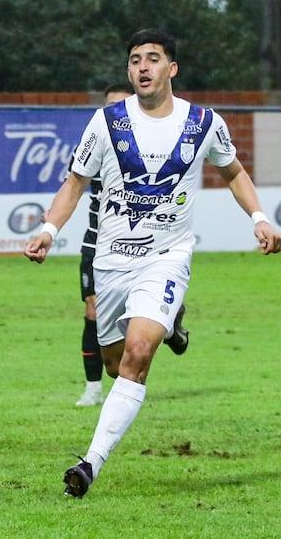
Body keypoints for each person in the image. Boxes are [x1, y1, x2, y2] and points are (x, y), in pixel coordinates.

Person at [24, 29, 281, 498]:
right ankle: (173, 322)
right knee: (115, 363)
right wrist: (48, 230)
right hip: (111, 262)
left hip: (166, 256)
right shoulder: (106, 122)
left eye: (152, 59)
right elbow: (74, 183)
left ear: (171, 69)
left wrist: (260, 218)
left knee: (139, 355)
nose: (142, 67)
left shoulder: (203, 122)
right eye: (135, 61)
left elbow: (234, 172)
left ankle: (89, 465)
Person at [71, 82, 189, 408]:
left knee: (139, 320)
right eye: (110, 105)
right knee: (92, 312)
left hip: (145, 247)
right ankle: (93, 387)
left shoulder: (151, 148)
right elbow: (74, 182)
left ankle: (164, 325)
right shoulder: (96, 137)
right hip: (97, 244)